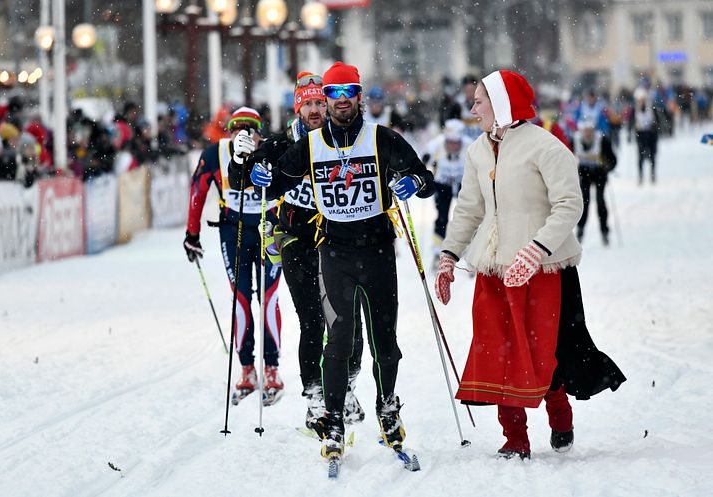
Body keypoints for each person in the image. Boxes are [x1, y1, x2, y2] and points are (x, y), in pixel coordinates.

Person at [231, 61, 435, 460]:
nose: (334, 103)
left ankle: (381, 404)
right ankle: (327, 411)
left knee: (379, 338)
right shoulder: (299, 145)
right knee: (327, 329)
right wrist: (245, 166)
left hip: (374, 247)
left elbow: (423, 176)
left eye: (346, 94)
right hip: (319, 247)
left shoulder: (379, 138)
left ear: (358, 96)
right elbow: (266, 182)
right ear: (312, 104)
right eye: (329, 97)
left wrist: (416, 182)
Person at [434, 70, 625, 460]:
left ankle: (559, 412)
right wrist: (449, 257)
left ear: (502, 104)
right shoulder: (477, 151)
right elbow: (469, 210)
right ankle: (515, 437)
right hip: (494, 270)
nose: (473, 108)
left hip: (543, 272)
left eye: (479, 101)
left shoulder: (547, 147)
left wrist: (535, 249)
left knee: (542, 352)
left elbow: (570, 204)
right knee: (497, 351)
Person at [231, 72, 366, 430]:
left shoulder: (343, 141)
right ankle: (315, 397)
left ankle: (348, 387)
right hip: (295, 239)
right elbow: (240, 181)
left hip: (337, 241)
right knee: (312, 320)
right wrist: (240, 159)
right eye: (308, 103)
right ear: (298, 107)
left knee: (347, 322)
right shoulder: (279, 145)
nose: (316, 109)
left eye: (321, 102)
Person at [183, 106, 285, 406]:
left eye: (250, 128)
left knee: (269, 298)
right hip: (234, 231)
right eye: (236, 128)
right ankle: (246, 368)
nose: (243, 134)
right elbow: (197, 190)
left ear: (259, 131)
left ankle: (272, 369)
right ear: (228, 131)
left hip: (267, 227)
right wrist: (192, 233)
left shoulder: (269, 149)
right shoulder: (216, 153)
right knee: (241, 298)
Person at [421, 118, 472, 264]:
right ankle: (438, 252)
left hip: (463, 182)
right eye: (449, 142)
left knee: (467, 215)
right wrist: (425, 161)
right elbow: (423, 157)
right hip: (442, 182)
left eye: (456, 143)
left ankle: (469, 248)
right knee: (442, 217)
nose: (452, 146)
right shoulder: (437, 143)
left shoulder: (469, 145)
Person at [574, 118, 617, 245]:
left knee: (600, 202)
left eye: (589, 131)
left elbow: (613, 160)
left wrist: (607, 167)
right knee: (584, 203)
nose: (587, 133)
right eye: (585, 131)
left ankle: (604, 232)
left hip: (599, 174)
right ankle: (580, 230)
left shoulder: (602, 140)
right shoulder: (575, 140)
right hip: (584, 174)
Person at [631, 87, 660, 185]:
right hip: (640, 135)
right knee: (640, 156)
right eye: (639, 100)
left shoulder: (651, 108)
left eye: (642, 99)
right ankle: (640, 176)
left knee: (652, 156)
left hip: (651, 135)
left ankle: (652, 174)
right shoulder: (635, 109)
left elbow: (658, 121)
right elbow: (631, 122)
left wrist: (654, 126)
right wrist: (633, 128)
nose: (641, 101)